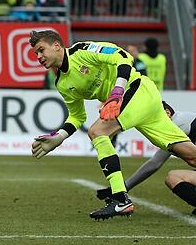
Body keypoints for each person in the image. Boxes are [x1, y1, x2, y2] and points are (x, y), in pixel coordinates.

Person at [28, 30, 196, 220]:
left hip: (136, 89)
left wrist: (117, 90)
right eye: (36, 53)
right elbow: (77, 116)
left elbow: (122, 56)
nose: (39, 57)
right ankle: (121, 199)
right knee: (190, 156)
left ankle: (120, 199)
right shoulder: (63, 83)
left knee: (97, 131)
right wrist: (59, 137)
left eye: (41, 50)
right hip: (138, 102)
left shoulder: (82, 51)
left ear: (57, 45)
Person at [95, 101, 196, 215]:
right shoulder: (182, 121)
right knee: (175, 175)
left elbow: (155, 163)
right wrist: (124, 187)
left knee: (173, 177)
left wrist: (123, 188)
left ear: (167, 113)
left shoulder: (178, 124)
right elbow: (155, 162)